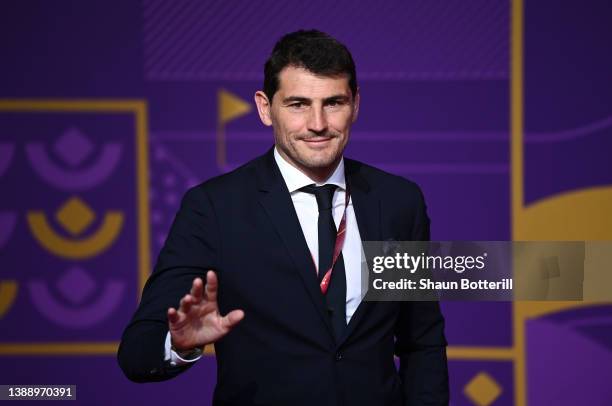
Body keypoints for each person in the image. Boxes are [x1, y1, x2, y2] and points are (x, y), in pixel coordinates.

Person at [118, 29, 448, 406]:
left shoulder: (398, 201)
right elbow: (137, 353)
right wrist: (178, 345)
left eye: (334, 102)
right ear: (264, 108)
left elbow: (421, 341)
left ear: (356, 104)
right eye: (298, 104)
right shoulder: (214, 207)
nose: (318, 123)